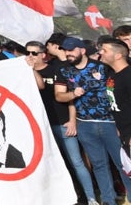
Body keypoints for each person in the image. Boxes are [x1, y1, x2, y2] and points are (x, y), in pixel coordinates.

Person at [55, 36, 131, 205]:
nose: (68, 53)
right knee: (98, 165)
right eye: (65, 50)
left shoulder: (104, 67)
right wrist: (73, 96)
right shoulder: (63, 70)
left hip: (111, 123)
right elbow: (60, 96)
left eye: (71, 49)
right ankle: (108, 200)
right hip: (85, 125)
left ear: (82, 50)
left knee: (123, 165)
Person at [27, 39, 94, 203]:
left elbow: (70, 97)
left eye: (34, 53)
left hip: (63, 123)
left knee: (76, 162)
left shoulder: (57, 69)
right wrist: (28, 69)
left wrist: (72, 120)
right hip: (43, 127)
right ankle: (72, 196)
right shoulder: (25, 75)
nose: (30, 56)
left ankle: (90, 197)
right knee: (57, 165)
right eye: (27, 52)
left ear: (43, 54)